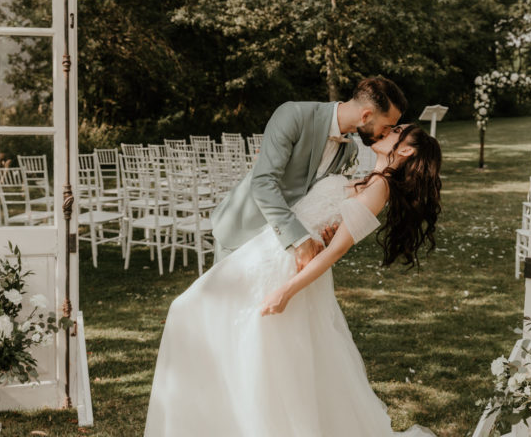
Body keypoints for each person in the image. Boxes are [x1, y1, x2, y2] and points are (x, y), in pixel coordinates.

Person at [144, 124, 442, 437]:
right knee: (195, 313)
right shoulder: (366, 175)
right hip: (267, 250)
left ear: (406, 150)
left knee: (255, 350)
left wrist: (286, 291)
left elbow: (336, 251)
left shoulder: (380, 188)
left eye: (397, 130)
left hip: (286, 268)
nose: (389, 129)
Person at [210, 77, 407, 272]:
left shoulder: (349, 150)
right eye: (387, 126)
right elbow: (263, 182)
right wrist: (299, 238)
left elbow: (318, 196)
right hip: (243, 233)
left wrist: (325, 229)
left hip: (280, 254)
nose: (386, 134)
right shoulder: (293, 114)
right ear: (365, 116)